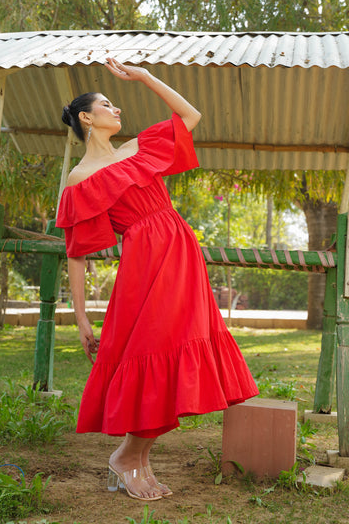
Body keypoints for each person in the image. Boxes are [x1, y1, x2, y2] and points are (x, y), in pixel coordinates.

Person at [56, 58, 258, 501]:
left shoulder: (137, 150)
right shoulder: (81, 178)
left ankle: (138, 457)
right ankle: (128, 455)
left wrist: (145, 77)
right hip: (146, 265)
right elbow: (76, 255)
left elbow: (190, 116)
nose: (118, 110)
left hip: (181, 254)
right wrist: (82, 320)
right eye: (108, 104)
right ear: (87, 117)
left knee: (178, 348)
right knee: (155, 352)